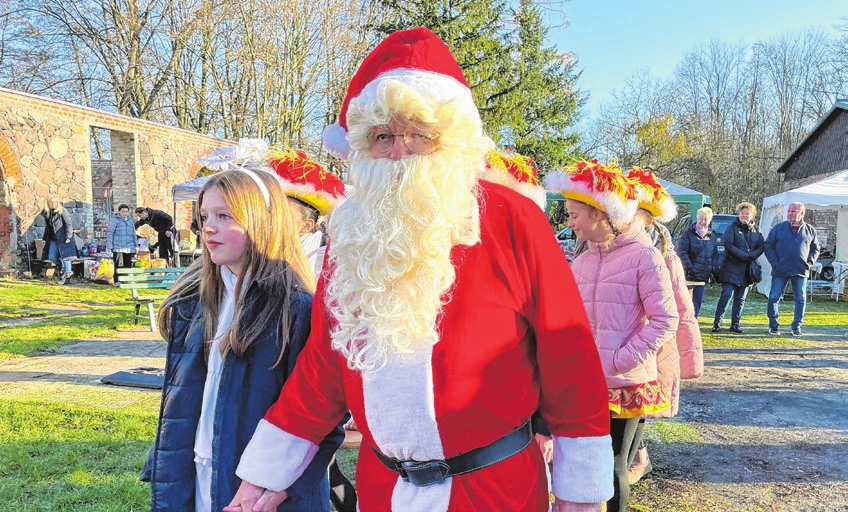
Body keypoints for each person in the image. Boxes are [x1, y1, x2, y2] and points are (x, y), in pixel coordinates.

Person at [226, 27, 613, 512]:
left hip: (494, 492)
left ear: (450, 141)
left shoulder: (513, 219)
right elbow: (325, 366)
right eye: (383, 136)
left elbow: (569, 357)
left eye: (419, 135)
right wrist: (265, 475)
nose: (400, 152)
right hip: (383, 489)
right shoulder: (352, 234)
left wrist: (580, 494)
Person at [141, 168, 344, 511]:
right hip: (197, 476)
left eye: (224, 216)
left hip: (263, 492)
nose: (207, 227)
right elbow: (183, 403)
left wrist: (279, 489)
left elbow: (325, 419)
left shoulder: (295, 309)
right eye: (204, 215)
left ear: (263, 222)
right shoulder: (193, 303)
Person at [546, 160, 678, 512]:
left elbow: (666, 320)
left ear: (599, 213)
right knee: (587, 460)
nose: (569, 223)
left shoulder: (645, 257)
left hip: (625, 383)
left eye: (574, 214)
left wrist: (619, 360)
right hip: (585, 381)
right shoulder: (581, 261)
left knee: (615, 464)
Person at [627, 168, 704, 484]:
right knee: (625, 404)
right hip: (622, 342)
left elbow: (682, 310)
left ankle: (636, 458)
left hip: (653, 345)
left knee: (638, 404)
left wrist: (690, 358)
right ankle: (635, 456)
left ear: (646, 219)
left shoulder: (663, 255)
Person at [266, 148, 346, 279]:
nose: (272, 219)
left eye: (284, 214)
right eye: (271, 210)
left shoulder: (308, 273)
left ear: (306, 226)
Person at [764, 202, 820, 337]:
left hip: (800, 270)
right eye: (789, 211)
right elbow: (768, 246)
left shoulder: (810, 230)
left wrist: (809, 262)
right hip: (781, 269)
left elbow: (816, 249)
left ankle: (796, 326)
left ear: (802, 213)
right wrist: (775, 263)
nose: (790, 214)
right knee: (774, 297)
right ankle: (773, 325)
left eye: (793, 211)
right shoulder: (779, 228)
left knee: (800, 299)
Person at [712, 202, 764, 334]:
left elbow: (760, 247)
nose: (744, 215)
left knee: (740, 298)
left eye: (747, 213)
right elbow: (729, 245)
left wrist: (751, 256)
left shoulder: (757, 230)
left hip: (747, 270)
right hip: (731, 267)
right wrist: (744, 255)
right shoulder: (731, 228)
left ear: (752, 215)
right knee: (726, 295)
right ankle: (717, 322)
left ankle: (735, 324)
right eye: (742, 213)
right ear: (739, 214)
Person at [676, 206, 716, 317]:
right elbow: (681, 251)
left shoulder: (713, 236)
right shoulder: (688, 234)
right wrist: (689, 267)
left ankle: (694, 322)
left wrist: (712, 269)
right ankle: (684, 322)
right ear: (697, 218)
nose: (703, 222)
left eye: (705, 219)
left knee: (697, 302)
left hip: (703, 276)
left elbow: (715, 254)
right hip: (689, 275)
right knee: (686, 302)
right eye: (701, 219)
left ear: (709, 221)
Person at [38, 196, 75, 285]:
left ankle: (67, 277)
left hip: (63, 238)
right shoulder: (48, 213)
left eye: (54, 202)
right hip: (53, 238)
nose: (53, 204)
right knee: (51, 256)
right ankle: (63, 268)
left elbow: (68, 224)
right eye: (51, 202)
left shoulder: (63, 211)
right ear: (48, 204)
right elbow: (48, 228)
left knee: (66, 258)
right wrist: (44, 238)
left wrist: (68, 237)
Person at [106, 204, 137, 283]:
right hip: (118, 247)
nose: (125, 213)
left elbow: (133, 234)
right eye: (123, 211)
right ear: (119, 212)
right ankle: (117, 281)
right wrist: (109, 246)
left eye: (126, 211)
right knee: (118, 265)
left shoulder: (130, 221)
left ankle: (127, 280)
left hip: (128, 247)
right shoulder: (115, 220)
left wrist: (136, 246)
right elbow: (110, 233)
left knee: (128, 264)